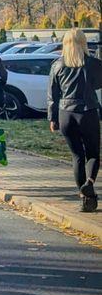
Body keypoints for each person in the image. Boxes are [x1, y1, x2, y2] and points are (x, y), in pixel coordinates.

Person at [48, 28, 102, 212]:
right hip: (87, 111)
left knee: (77, 156)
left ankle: (85, 199)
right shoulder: (93, 63)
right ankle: (90, 182)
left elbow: (52, 94)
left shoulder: (58, 64)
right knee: (93, 154)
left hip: (66, 113)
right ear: (83, 43)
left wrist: (52, 118)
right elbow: (98, 83)